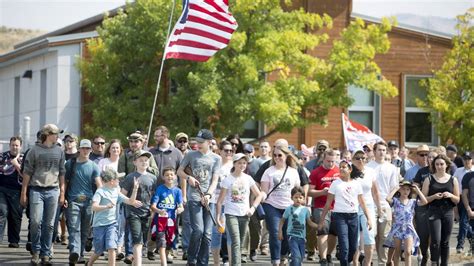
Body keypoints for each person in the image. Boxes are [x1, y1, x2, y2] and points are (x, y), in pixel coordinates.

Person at [20, 124, 66, 265]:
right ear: (47, 134)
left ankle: (46, 254)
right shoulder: (34, 151)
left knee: (50, 225)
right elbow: (27, 172)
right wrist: (24, 192)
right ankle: (36, 251)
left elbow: (62, 173)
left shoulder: (60, 151)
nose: (58, 136)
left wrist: (62, 193)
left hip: (53, 190)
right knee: (35, 222)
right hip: (36, 190)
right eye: (55, 133)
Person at [177, 129, 221, 266]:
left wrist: (208, 194)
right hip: (194, 197)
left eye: (202, 142)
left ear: (209, 142)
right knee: (198, 230)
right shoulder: (191, 155)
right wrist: (188, 177)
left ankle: (203, 263)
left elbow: (215, 179)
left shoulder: (216, 158)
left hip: (208, 199)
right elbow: (179, 171)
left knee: (207, 234)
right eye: (197, 141)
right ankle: (191, 259)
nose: (198, 144)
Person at [319, 160, 372, 266]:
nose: (342, 169)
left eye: (344, 167)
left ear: (350, 169)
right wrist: (322, 220)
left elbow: (362, 202)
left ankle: (346, 261)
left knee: (353, 247)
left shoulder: (356, 184)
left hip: (353, 216)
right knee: (344, 245)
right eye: (340, 167)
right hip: (339, 217)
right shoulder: (335, 183)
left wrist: (369, 218)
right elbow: (328, 203)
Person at [216, 153, 264, 265]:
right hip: (231, 214)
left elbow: (259, 195)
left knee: (241, 244)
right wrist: (218, 217)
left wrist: (253, 208)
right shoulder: (228, 179)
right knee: (236, 242)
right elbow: (219, 201)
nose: (242, 165)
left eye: (244, 163)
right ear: (234, 164)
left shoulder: (248, 178)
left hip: (245, 214)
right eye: (239, 163)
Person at [86, 169, 141, 266]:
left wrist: (135, 189)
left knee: (112, 247)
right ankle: (89, 263)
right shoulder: (100, 192)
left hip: (112, 224)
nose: (119, 181)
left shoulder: (116, 192)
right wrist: (106, 206)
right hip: (99, 225)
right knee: (99, 250)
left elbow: (130, 201)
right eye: (118, 179)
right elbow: (94, 207)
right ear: (111, 181)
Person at [260, 145, 301, 266]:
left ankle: (284, 255)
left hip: (289, 207)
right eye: (275, 155)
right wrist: (257, 200)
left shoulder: (293, 172)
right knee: (274, 232)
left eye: (280, 155)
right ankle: (275, 260)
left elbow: (297, 191)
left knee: (287, 233)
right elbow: (264, 191)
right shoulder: (268, 171)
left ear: (286, 156)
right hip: (271, 206)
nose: (277, 157)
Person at [65, 139, 102, 264]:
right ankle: (74, 251)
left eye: (88, 149)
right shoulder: (70, 164)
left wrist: (102, 199)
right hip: (73, 200)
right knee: (74, 228)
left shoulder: (93, 166)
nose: (86, 151)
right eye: (84, 148)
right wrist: (62, 196)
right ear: (79, 149)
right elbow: (64, 182)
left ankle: (79, 255)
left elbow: (99, 185)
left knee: (85, 230)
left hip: (89, 202)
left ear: (91, 150)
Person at [422, 154, 460, 266]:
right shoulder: (428, 179)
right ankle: (434, 262)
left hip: (448, 212)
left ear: (447, 165)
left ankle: (444, 264)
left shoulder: (453, 179)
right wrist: (433, 197)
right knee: (435, 241)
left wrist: (450, 195)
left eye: (442, 164)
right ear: (434, 165)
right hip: (434, 211)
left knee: (445, 242)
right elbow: (424, 199)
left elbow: (457, 200)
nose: (439, 166)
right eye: (437, 164)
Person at [121, 150, 157, 265]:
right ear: (135, 162)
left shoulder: (153, 178)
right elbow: (121, 194)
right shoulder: (130, 177)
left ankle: (135, 262)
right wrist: (131, 202)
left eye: (146, 160)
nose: (144, 162)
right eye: (141, 160)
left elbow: (154, 196)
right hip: (133, 213)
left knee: (143, 242)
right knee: (137, 241)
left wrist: (153, 209)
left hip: (146, 213)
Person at [366, 141, 399, 264]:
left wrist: (388, 199)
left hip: (385, 205)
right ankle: (368, 261)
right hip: (370, 205)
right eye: (379, 150)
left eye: (384, 150)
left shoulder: (391, 168)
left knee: (384, 236)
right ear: (374, 152)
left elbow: (395, 186)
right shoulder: (368, 167)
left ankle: (382, 262)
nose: (382, 152)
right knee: (371, 235)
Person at [384, 180, 428, 266]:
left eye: (408, 189)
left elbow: (425, 201)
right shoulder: (395, 201)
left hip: (408, 228)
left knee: (408, 251)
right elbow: (387, 199)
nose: (405, 191)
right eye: (403, 189)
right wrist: (396, 188)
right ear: (400, 190)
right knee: (397, 250)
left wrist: (418, 190)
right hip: (397, 228)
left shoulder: (412, 202)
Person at [308, 149, 340, 265]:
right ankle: (323, 259)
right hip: (320, 206)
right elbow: (309, 192)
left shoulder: (339, 171)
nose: (331, 164)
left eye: (333, 161)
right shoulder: (316, 172)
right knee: (323, 232)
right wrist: (322, 192)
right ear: (323, 159)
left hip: (337, 207)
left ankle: (328, 254)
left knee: (333, 233)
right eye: (328, 161)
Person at [351, 150, 382, 266]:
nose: (360, 160)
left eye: (363, 158)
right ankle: (355, 262)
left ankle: (367, 263)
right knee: (355, 238)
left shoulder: (370, 171)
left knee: (369, 236)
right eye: (357, 158)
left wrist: (379, 208)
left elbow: (375, 192)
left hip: (368, 207)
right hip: (353, 207)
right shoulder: (348, 172)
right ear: (353, 159)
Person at [150, 167, 184, 266]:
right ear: (163, 177)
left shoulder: (178, 191)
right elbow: (153, 206)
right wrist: (159, 211)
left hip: (171, 221)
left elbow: (181, 206)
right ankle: (164, 263)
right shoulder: (160, 189)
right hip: (160, 220)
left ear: (175, 176)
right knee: (161, 242)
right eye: (167, 175)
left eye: (171, 174)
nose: (169, 176)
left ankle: (165, 258)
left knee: (169, 242)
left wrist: (179, 209)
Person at [278, 186, 318, 266]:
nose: (298, 199)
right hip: (291, 236)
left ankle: (289, 262)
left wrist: (318, 226)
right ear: (291, 198)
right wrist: (280, 232)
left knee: (301, 257)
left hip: (302, 238)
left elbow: (309, 222)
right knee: (296, 256)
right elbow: (282, 220)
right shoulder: (289, 209)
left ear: (304, 199)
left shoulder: (305, 210)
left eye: (300, 197)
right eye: (295, 197)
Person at [412, 150, 438, 266]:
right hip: (422, 206)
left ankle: (434, 258)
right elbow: (415, 187)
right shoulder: (422, 171)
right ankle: (424, 255)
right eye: (429, 157)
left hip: (436, 206)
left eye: (433, 157)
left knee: (435, 235)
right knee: (422, 234)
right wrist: (412, 205)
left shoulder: (441, 171)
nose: (430, 159)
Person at [210, 140, 233, 266]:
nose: (229, 152)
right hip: (214, 202)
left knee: (229, 232)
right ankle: (216, 263)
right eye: (226, 150)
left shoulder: (234, 166)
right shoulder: (215, 164)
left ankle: (228, 261)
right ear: (220, 151)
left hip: (230, 203)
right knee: (216, 232)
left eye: (231, 151)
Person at [0, 136, 24, 248]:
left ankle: (14, 240)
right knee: (2, 212)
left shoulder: (25, 158)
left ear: (20, 146)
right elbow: (3, 169)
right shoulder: (2, 156)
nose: (14, 147)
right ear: (9, 145)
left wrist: (16, 164)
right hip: (2, 189)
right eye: (12, 145)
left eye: (17, 145)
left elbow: (26, 175)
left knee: (15, 216)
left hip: (17, 190)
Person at [453, 151, 474, 253]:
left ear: (472, 160)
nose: (466, 161)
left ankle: (460, 245)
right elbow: (454, 185)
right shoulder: (458, 170)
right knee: (463, 222)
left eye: (468, 159)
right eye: (465, 159)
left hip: (471, 198)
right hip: (460, 197)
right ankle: (471, 240)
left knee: (464, 222)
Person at [461, 162, 474, 256]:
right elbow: (464, 194)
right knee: (469, 231)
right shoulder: (467, 176)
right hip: (471, 208)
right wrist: (468, 209)